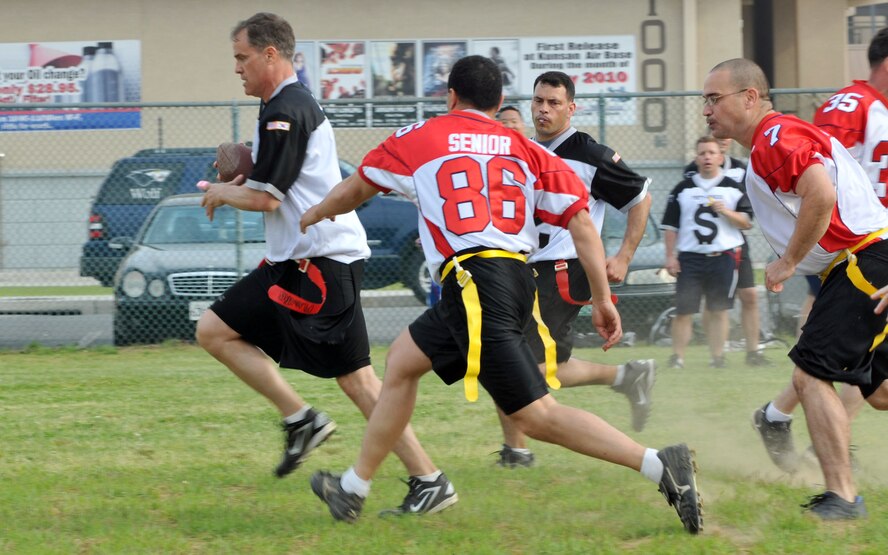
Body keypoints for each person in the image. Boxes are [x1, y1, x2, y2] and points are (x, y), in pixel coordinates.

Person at [302, 55, 702, 534]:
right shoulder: (527, 148)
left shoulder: (421, 135)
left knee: (536, 416)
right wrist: (602, 299)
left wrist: (315, 214)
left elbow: (356, 188)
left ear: (451, 96)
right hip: (512, 278)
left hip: (474, 283)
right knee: (403, 361)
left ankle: (660, 464)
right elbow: (580, 221)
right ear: (499, 103)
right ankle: (362, 487)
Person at [194, 12, 456, 516]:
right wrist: (247, 169)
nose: (237, 68)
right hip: (297, 262)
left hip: (320, 264)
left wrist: (224, 192)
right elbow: (278, 183)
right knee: (215, 330)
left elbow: (268, 199)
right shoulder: (280, 106)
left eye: (242, 57)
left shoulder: (286, 109)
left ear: (271, 54)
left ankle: (427, 479)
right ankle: (304, 421)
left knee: (358, 381)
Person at [703, 57, 888, 520]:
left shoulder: (773, 137)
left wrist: (787, 261)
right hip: (864, 260)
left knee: (810, 375)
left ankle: (842, 498)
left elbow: (820, 194)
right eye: (705, 101)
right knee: (879, 392)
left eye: (714, 99)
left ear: (750, 97)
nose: (706, 110)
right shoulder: (773, 138)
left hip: (862, 261)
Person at [493, 70, 657, 469]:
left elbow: (640, 198)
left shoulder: (590, 154)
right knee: (512, 356)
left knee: (522, 364)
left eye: (554, 103)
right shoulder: (526, 150)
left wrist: (623, 255)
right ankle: (626, 377)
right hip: (524, 267)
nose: (544, 110)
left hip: (562, 269)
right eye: (538, 101)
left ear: (571, 108)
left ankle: (518, 451)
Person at [750, 28, 888, 474]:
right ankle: (822, 444)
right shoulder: (853, 104)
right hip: (851, 247)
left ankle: (786, 419)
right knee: (825, 357)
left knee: (873, 383)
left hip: (874, 247)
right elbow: (817, 165)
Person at [661, 136, 753, 369]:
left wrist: (726, 212)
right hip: (690, 257)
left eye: (712, 153)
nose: (707, 157)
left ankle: (717, 358)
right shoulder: (683, 189)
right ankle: (677, 358)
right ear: (696, 158)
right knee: (684, 310)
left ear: (721, 157)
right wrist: (670, 256)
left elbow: (746, 222)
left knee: (719, 309)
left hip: (723, 256)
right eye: (702, 153)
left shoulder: (733, 188)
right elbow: (670, 226)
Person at [683, 138, 770, 366]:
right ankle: (716, 351)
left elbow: (747, 204)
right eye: (716, 136)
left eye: (725, 137)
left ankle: (753, 352)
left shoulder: (741, 169)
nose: (721, 141)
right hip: (708, 245)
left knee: (749, 295)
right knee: (712, 302)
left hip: (736, 241)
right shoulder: (694, 170)